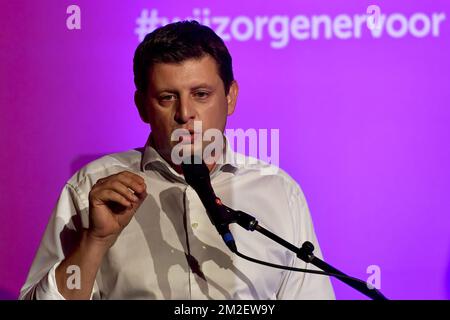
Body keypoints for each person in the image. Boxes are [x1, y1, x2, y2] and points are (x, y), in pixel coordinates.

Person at [19, 21, 335, 300]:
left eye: (201, 94)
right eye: (167, 97)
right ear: (142, 106)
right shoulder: (90, 187)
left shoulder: (278, 190)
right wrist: (95, 241)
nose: (185, 114)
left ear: (231, 97)